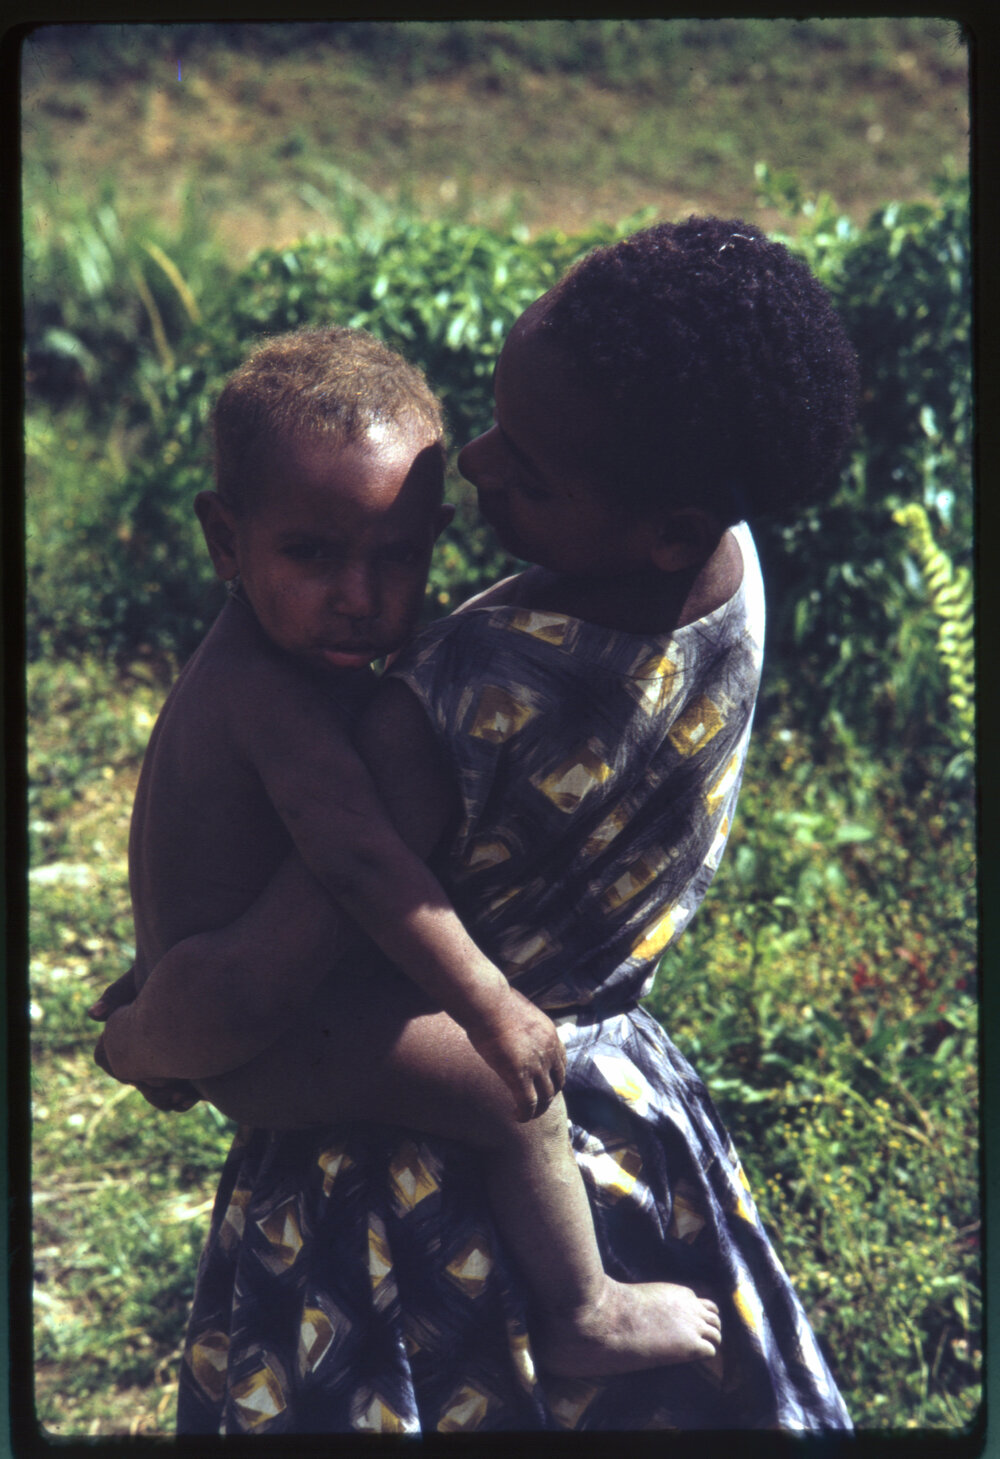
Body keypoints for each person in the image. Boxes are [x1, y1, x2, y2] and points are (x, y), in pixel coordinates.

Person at [95, 217, 858, 1433]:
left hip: (398, 1201)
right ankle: (582, 1303)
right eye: (494, 421)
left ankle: (580, 1305)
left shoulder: (452, 701)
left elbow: (290, 944)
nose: (486, 463)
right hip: (592, 1100)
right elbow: (254, 972)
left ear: (669, 521)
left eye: (533, 470)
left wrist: (156, 1037)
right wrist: (151, 1035)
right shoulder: (734, 562)